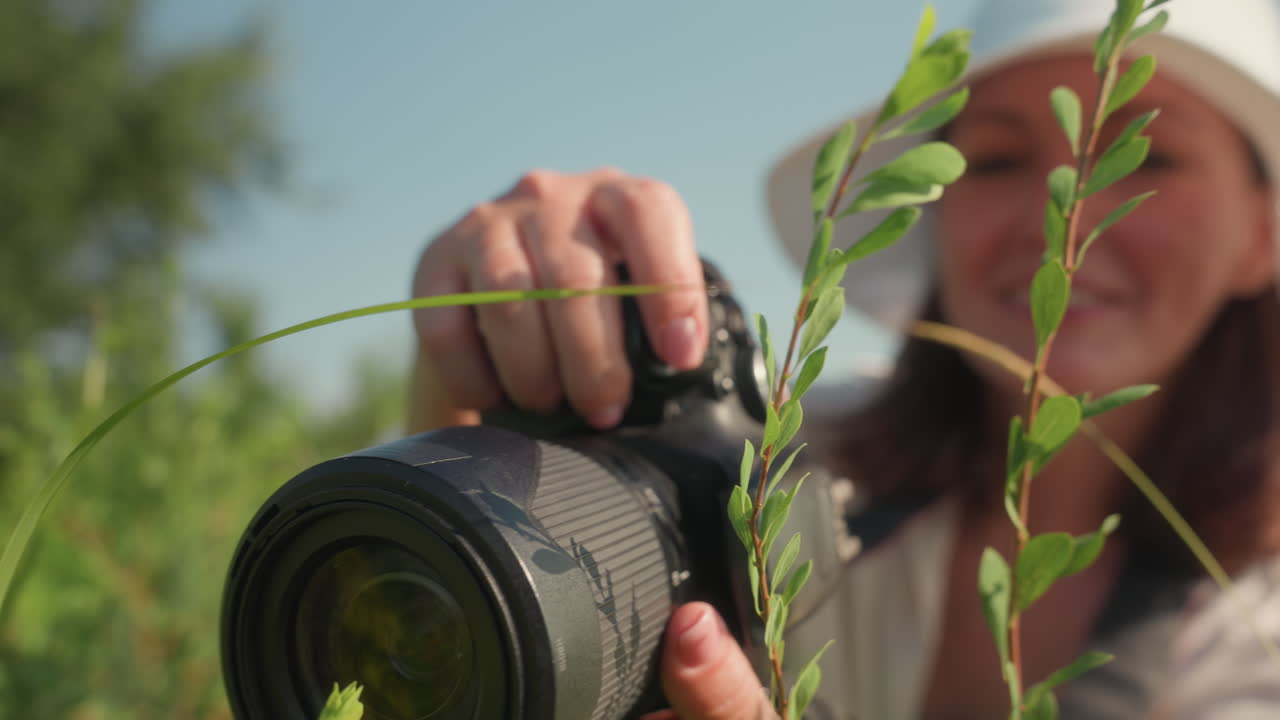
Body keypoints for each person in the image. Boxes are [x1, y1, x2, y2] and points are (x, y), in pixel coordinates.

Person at [408, 0, 1280, 717]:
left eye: (1145, 153)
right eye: (1001, 159)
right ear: (935, 219)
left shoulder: (1260, 628)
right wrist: (473, 346)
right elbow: (448, 617)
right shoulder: (783, 467)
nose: (1064, 223)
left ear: (1263, 235)